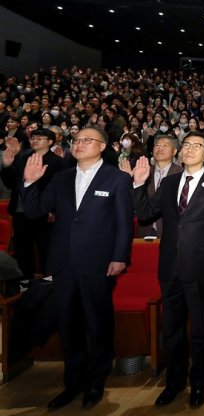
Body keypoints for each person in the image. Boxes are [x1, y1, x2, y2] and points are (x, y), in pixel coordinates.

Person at [21, 126, 133, 409]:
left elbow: (123, 223)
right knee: (68, 324)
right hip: (63, 262)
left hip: (98, 262)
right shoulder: (61, 178)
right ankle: (72, 383)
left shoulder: (117, 178)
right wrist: (29, 183)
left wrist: (120, 256)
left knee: (97, 323)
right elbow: (34, 211)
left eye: (87, 140)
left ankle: (96, 382)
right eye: (76, 140)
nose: (79, 144)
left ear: (102, 146)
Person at [131, 131, 204, 409]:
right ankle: (174, 383)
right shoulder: (169, 182)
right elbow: (147, 213)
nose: (189, 149)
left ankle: (199, 382)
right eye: (186, 145)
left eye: (196, 146)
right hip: (170, 266)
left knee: (200, 329)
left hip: (201, 266)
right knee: (172, 329)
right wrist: (138, 184)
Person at [1, 130, 68, 287]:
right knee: (22, 247)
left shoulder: (58, 162)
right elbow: (10, 183)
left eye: (40, 138)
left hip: (44, 212)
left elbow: (61, 189)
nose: (35, 140)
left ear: (50, 142)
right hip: (20, 211)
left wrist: (54, 210)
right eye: (33, 138)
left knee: (46, 247)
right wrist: (7, 166)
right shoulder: (23, 157)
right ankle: (25, 281)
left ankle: (48, 282)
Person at [121, 134, 183, 238]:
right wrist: (127, 181)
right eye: (157, 145)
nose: (160, 148)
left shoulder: (182, 174)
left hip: (171, 232)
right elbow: (132, 203)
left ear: (174, 151)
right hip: (145, 231)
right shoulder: (143, 171)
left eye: (165, 145)